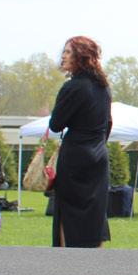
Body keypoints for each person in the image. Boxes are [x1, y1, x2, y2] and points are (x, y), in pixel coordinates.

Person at [49, 36, 113, 248]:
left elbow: (56, 124)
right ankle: (95, 256)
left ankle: (68, 258)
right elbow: (108, 123)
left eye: (68, 52)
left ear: (80, 57)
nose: (63, 56)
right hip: (98, 156)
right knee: (95, 213)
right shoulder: (104, 88)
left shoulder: (73, 87)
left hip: (75, 157)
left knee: (68, 212)